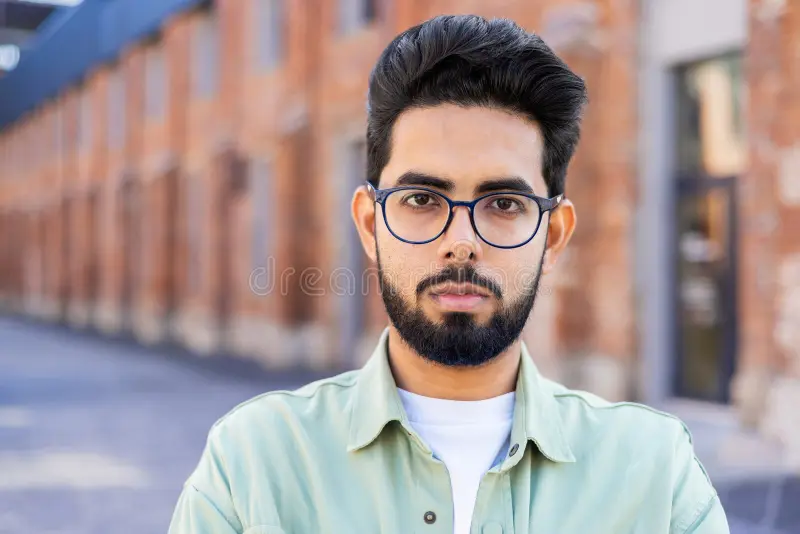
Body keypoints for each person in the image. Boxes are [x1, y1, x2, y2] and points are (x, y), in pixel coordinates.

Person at [169, 14, 729, 534]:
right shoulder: (254, 464)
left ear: (553, 235)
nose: (460, 244)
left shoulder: (654, 473)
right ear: (370, 224)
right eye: (421, 199)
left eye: (504, 203)